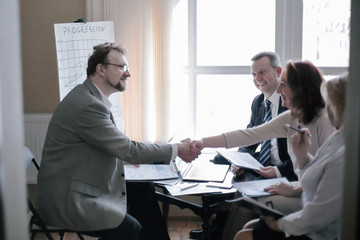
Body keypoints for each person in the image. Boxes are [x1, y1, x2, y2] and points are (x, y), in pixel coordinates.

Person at [36, 42, 200, 240]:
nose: (128, 74)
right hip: (68, 200)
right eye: (122, 67)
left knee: (143, 187)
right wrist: (177, 149)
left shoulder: (90, 97)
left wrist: (123, 156)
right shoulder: (88, 105)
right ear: (101, 69)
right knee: (129, 228)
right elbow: (129, 149)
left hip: (80, 184)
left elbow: (109, 148)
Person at [190, 60, 335, 239]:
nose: (279, 90)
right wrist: (202, 142)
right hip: (302, 189)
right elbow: (249, 135)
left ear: (301, 90)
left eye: (284, 85)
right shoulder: (292, 117)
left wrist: (295, 189)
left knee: (248, 202)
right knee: (244, 200)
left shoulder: (324, 120)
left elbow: (329, 179)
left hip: (316, 200)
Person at [233, 74, 347, 240]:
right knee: (249, 226)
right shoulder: (338, 137)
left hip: (322, 231)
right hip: (311, 212)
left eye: (329, 103)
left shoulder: (344, 150)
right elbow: (251, 135)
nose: (326, 108)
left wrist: (280, 225)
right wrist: (302, 158)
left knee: (242, 236)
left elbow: (320, 212)